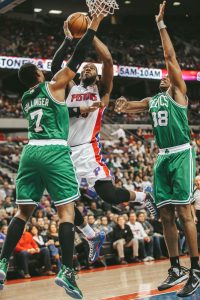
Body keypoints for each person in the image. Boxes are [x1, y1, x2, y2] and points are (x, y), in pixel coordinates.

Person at [0, 14, 104, 299]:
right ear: (38, 74)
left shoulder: (26, 97)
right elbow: (74, 60)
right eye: (40, 70)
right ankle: (67, 272)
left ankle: (2, 262)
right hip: (55, 150)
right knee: (66, 211)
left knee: (23, 212)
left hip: (30, 152)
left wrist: (66, 39)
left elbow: (57, 68)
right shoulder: (54, 85)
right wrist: (93, 26)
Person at [51, 19, 158, 263]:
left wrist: (90, 33)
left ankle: (143, 197)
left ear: (98, 78)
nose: (88, 69)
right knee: (62, 202)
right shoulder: (69, 88)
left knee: (109, 195)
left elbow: (108, 60)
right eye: (85, 67)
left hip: (88, 150)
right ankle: (91, 235)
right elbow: (56, 65)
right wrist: (71, 40)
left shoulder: (103, 92)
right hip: (65, 153)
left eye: (92, 69)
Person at [114, 1, 199, 297]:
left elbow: (169, 55)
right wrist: (123, 106)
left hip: (181, 153)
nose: (164, 75)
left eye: (168, 74)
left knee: (186, 212)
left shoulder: (177, 91)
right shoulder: (153, 101)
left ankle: (196, 270)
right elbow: (132, 107)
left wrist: (161, 24)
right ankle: (175, 267)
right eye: (162, 76)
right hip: (162, 157)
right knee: (164, 215)